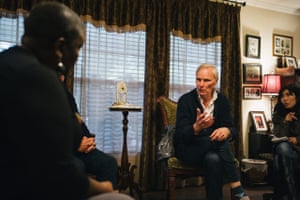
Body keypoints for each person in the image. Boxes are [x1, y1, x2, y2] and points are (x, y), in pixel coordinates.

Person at [0, 2, 132, 200]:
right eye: (78, 47)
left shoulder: (7, 63)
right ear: (60, 46)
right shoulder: (41, 80)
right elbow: (60, 174)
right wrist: (104, 188)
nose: (78, 56)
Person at [173, 63, 250, 200]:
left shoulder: (222, 101)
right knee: (217, 144)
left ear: (215, 82)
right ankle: (237, 187)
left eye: (206, 80)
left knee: (213, 159)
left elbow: (233, 130)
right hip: (188, 150)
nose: (201, 84)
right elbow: (179, 136)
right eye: (198, 79)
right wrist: (196, 127)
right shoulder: (186, 100)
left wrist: (227, 131)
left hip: (212, 152)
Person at [58, 69, 118, 190]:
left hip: (83, 148)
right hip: (65, 151)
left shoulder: (67, 96)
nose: (61, 78)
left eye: (61, 75)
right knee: (77, 167)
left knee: (109, 163)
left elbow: (79, 121)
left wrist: (89, 139)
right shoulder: (42, 99)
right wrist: (76, 146)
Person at [271, 84, 300, 200]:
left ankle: (281, 195)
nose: (285, 99)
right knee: (282, 147)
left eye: (288, 95)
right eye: (282, 96)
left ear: (297, 96)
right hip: (285, 149)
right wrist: (285, 122)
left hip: (298, 150)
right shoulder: (279, 113)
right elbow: (277, 135)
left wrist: (297, 139)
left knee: (278, 162)